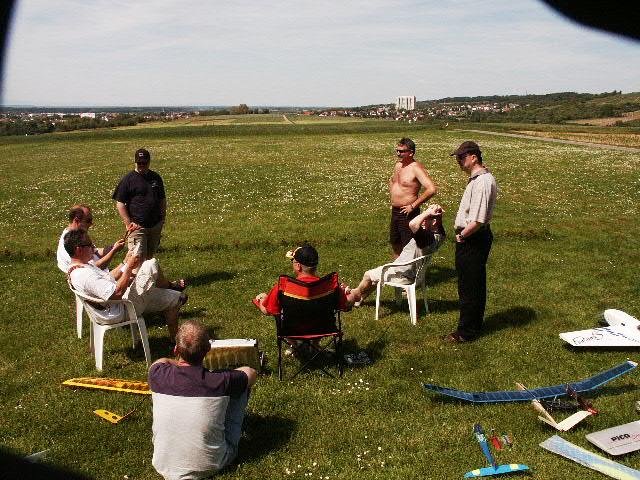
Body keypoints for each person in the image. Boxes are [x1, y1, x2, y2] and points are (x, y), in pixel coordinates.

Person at [149, 320, 257, 480]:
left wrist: (178, 362)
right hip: (212, 463)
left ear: (176, 349)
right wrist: (225, 373)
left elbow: (160, 362)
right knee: (242, 387)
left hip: (163, 463)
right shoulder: (221, 381)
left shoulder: (157, 374)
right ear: (208, 350)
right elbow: (251, 373)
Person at [65, 229, 186, 341]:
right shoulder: (84, 275)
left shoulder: (81, 267)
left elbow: (109, 277)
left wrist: (125, 262)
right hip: (120, 309)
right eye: (90, 245)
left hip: (115, 306)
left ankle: (174, 342)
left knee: (176, 298)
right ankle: (168, 285)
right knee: (151, 264)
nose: (93, 247)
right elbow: (117, 293)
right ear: (78, 249)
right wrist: (129, 268)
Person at [253, 244, 360, 354]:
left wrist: (261, 299)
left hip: (292, 330)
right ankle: (315, 344)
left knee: (281, 312)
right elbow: (346, 304)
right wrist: (351, 294)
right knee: (321, 311)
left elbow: (267, 310)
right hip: (323, 328)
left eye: (293, 261)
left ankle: (294, 345)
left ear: (298, 266)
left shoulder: (283, 287)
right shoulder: (330, 286)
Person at [444, 141, 497, 343]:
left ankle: (466, 332)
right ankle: (472, 326)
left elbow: (478, 220)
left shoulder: (482, 181)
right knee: (471, 284)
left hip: (473, 238)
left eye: (461, 157)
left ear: (474, 157)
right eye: (457, 157)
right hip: (473, 237)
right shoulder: (479, 179)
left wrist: (462, 235)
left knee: (470, 287)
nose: (458, 161)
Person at [352, 204, 446, 302]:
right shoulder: (440, 235)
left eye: (425, 219)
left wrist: (427, 212)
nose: (422, 221)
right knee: (376, 275)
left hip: (403, 274)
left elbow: (413, 224)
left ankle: (353, 296)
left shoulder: (425, 238)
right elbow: (437, 225)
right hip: (414, 274)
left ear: (433, 222)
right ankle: (360, 299)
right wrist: (436, 214)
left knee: (368, 275)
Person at [112, 148, 166, 261]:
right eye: (139, 163)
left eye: (144, 163)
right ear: (135, 162)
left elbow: (162, 199)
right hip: (137, 227)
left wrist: (162, 219)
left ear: (149, 162)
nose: (141, 165)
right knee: (135, 259)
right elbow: (120, 203)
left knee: (149, 259)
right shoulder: (128, 179)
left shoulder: (156, 177)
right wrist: (128, 223)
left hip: (155, 226)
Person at [389, 137, 437, 258]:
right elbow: (393, 181)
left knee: (408, 245)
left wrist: (413, 206)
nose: (398, 153)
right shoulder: (398, 165)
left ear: (411, 153)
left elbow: (431, 189)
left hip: (408, 212)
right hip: (395, 211)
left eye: (401, 151)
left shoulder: (416, 168)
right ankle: (398, 267)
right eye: (397, 150)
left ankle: (411, 268)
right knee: (395, 242)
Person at [56, 204, 125, 273]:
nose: (91, 224)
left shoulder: (77, 235)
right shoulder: (70, 242)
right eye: (88, 221)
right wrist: (113, 251)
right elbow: (91, 269)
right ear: (76, 221)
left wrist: (113, 247)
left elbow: (95, 251)